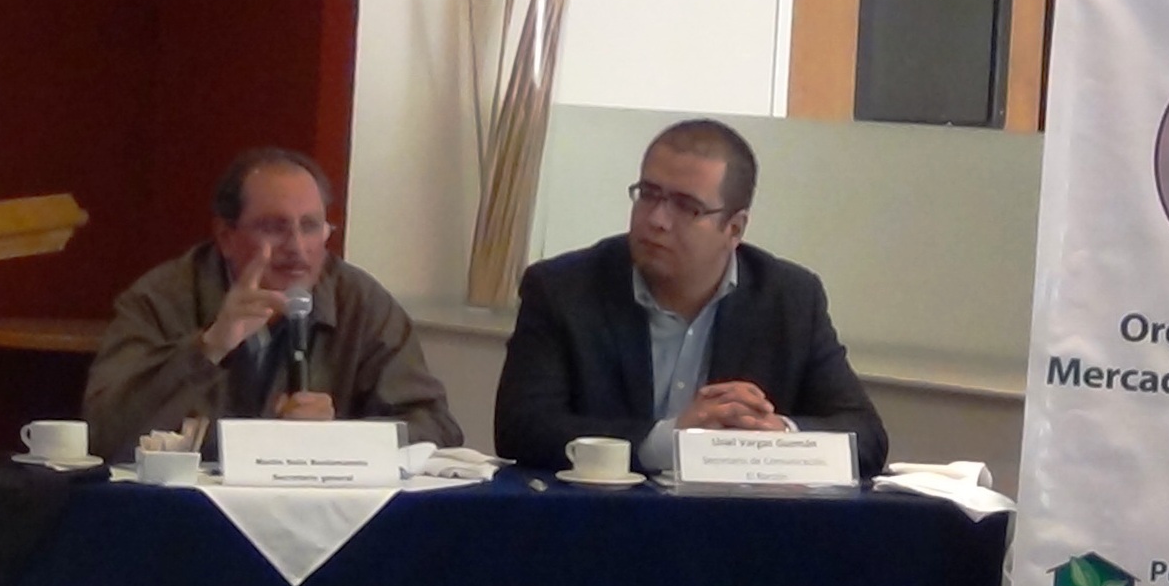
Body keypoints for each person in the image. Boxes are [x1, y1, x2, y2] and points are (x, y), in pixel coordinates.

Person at [494, 118, 888, 478]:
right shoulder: (563, 289)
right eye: (648, 195)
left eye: (686, 207)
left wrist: (777, 437)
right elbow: (522, 429)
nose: (656, 220)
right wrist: (671, 441)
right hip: (600, 520)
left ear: (734, 229)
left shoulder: (789, 298)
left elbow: (866, 438)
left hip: (736, 524)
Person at [83, 147, 461, 462]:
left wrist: (338, 437)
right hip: (188, 511)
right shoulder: (162, 298)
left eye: (310, 226)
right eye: (274, 227)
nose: (297, 248)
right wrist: (208, 347)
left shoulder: (360, 302)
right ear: (226, 236)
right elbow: (104, 434)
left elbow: (436, 427)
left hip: (321, 512)